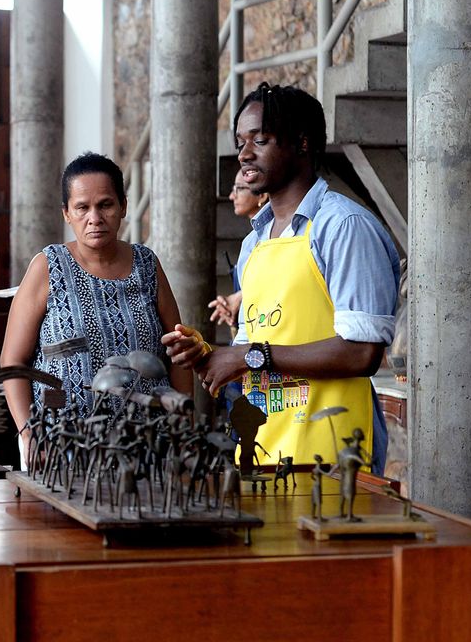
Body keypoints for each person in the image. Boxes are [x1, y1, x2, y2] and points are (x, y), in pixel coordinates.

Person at [164, 82, 400, 473]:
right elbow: (250, 352)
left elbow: (362, 353)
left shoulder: (342, 226)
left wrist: (248, 356)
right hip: (262, 453)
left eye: (261, 139)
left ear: (302, 144)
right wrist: (209, 356)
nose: (244, 154)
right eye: (241, 142)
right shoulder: (254, 244)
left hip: (331, 455)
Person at [1, 152, 189, 458]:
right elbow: (13, 362)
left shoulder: (147, 264)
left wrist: (182, 428)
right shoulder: (48, 266)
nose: (95, 218)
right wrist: (29, 433)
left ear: (123, 206)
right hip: (63, 446)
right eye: (82, 207)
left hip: (150, 446)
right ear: (66, 213)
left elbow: (178, 352)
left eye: (105, 205)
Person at [208, 169, 269, 329]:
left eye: (239, 189)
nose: (231, 196)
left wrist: (240, 297)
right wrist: (232, 303)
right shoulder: (250, 240)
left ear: (262, 196)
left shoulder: (276, 237)